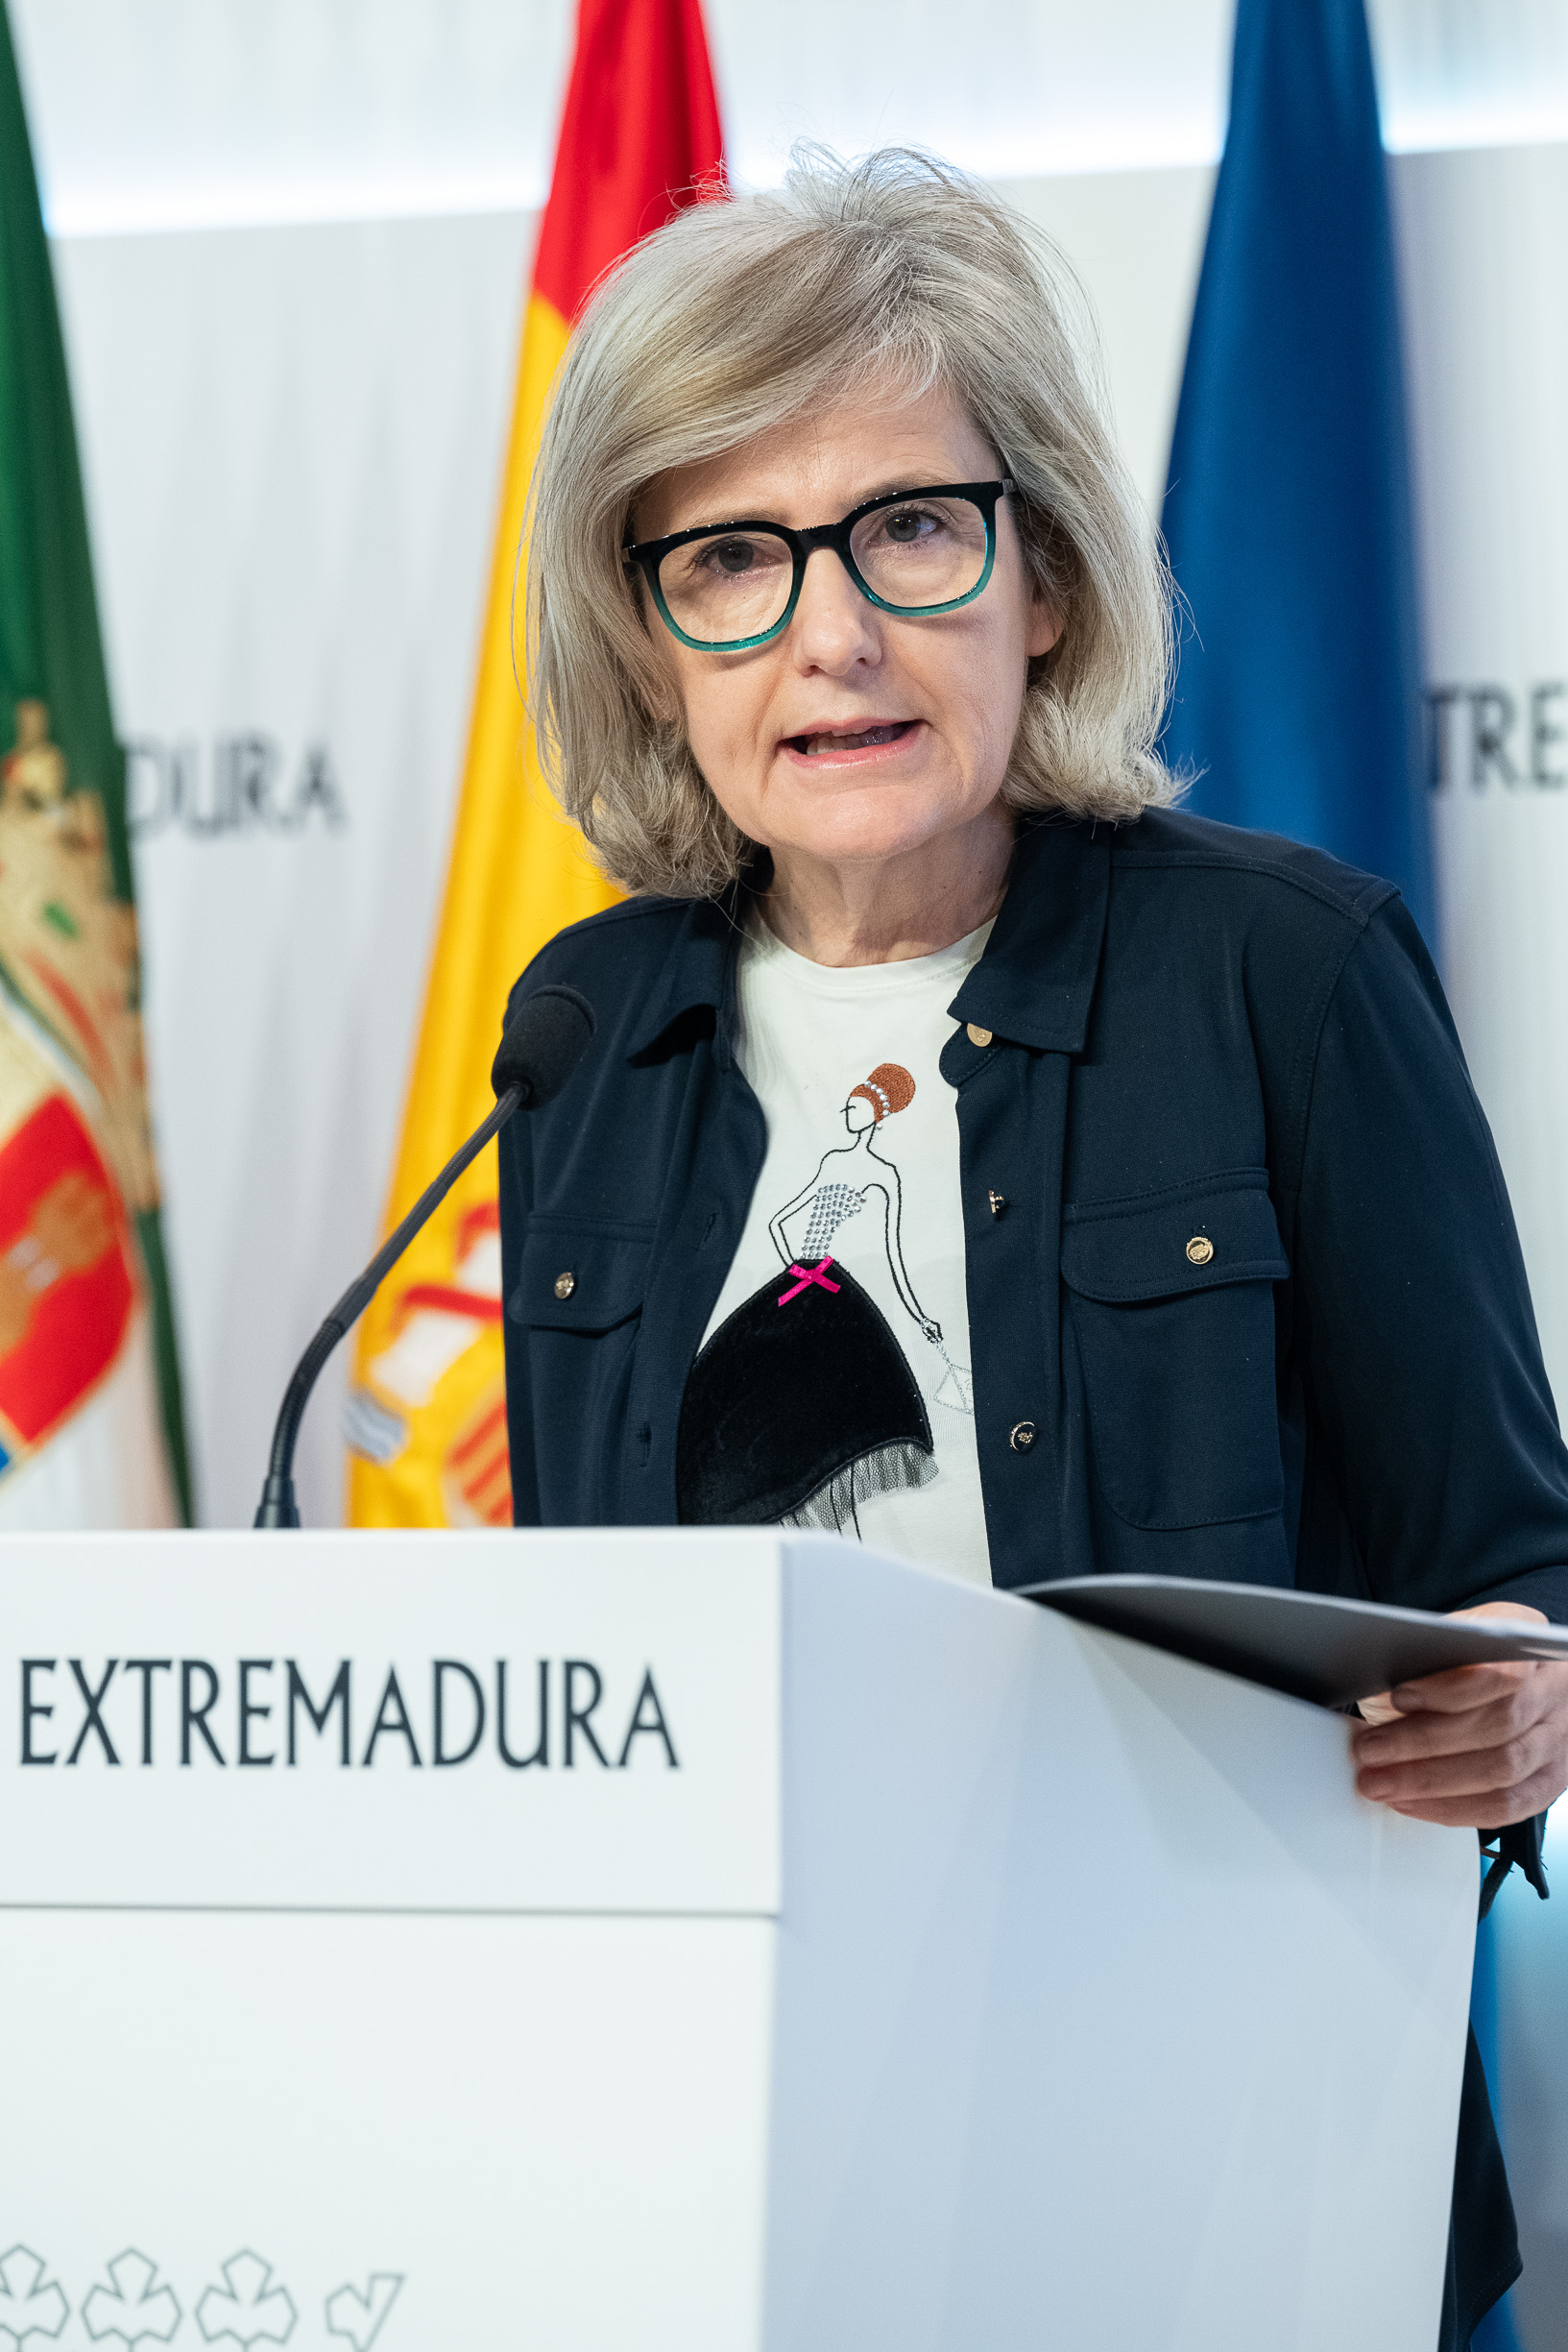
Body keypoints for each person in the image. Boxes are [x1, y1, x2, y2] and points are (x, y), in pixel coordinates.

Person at [496, 147, 1568, 2343]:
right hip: (732, 2139)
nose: (832, 633)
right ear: (649, 637)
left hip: (1242, 2140)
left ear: (1044, 579)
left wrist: (1519, 1695)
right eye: (728, 558)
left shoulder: (1283, 972)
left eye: (908, 527)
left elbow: (1517, 1566)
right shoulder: (585, 1036)